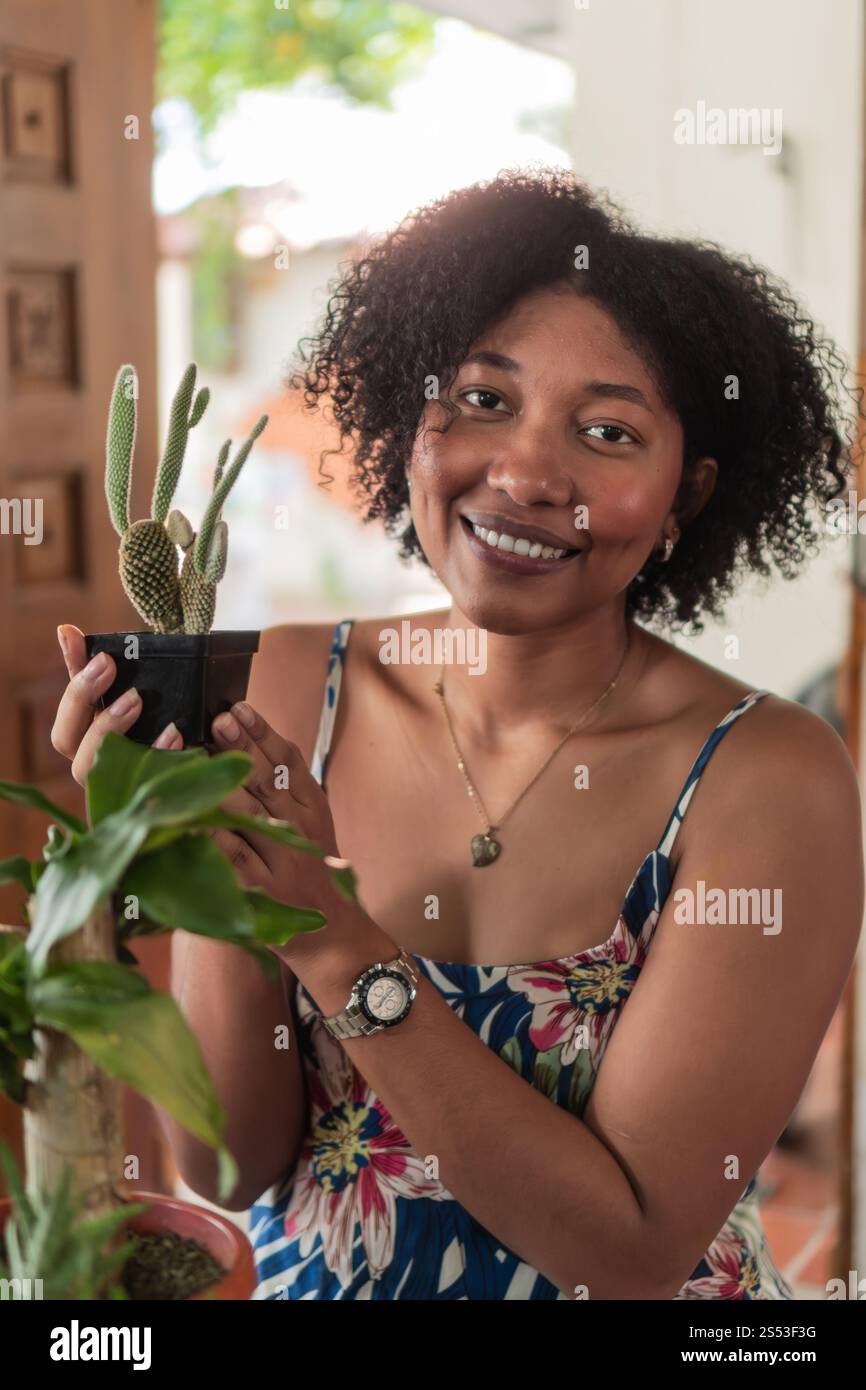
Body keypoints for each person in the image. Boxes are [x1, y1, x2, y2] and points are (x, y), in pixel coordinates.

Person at [52, 169, 864, 1300]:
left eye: (606, 429)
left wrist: (334, 937)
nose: (526, 472)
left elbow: (624, 1253)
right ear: (410, 418)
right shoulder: (290, 682)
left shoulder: (766, 776)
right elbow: (228, 1162)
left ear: (686, 496)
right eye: (482, 400)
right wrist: (194, 870)